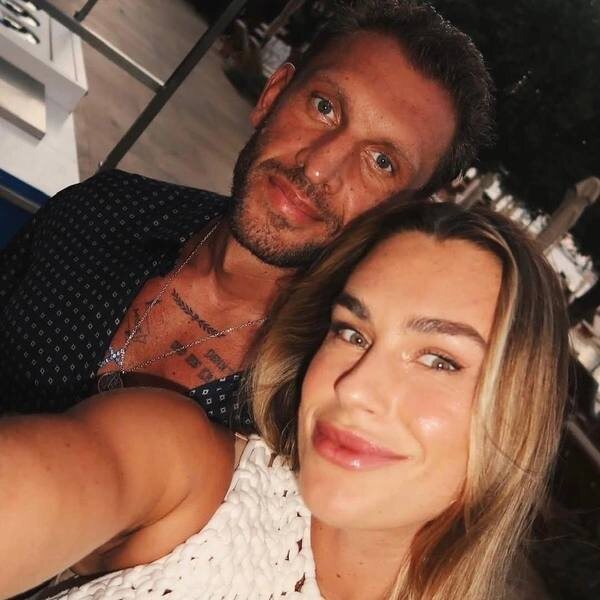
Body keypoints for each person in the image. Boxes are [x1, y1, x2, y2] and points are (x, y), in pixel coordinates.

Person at [0, 201, 569, 599]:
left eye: (439, 360)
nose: (354, 387)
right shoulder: (186, 473)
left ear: (517, 416)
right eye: (351, 332)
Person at [0, 0, 494, 425]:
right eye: (325, 107)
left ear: (403, 214)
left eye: (381, 162)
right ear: (273, 95)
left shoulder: (318, 408)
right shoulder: (105, 209)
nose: (318, 167)